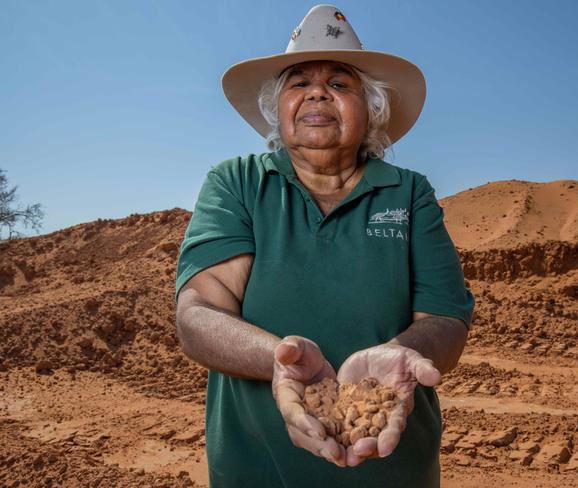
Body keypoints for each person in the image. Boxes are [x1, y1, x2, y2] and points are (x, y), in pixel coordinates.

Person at [175, 4, 474, 487]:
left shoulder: (409, 191)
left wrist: (400, 355)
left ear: (371, 109)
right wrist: (280, 359)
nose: (317, 91)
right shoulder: (237, 183)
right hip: (257, 470)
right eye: (298, 83)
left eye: (339, 83)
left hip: (392, 470)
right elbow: (198, 314)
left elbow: (445, 319)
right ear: (279, 109)